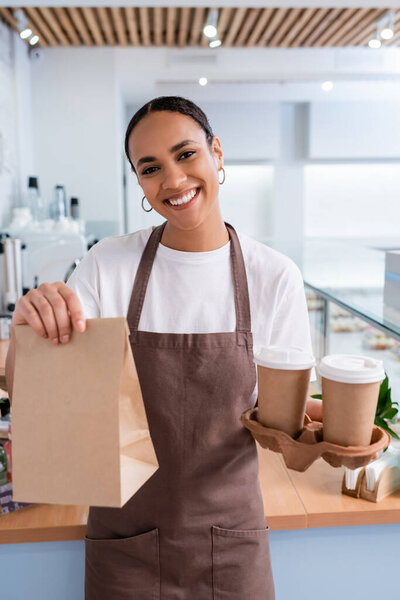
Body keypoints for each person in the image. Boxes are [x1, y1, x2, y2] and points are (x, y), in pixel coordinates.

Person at [6, 95, 322, 599]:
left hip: (232, 547)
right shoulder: (107, 266)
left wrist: (332, 433)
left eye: (186, 154)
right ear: (139, 181)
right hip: (124, 547)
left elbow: (278, 417)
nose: (173, 180)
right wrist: (27, 328)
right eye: (151, 167)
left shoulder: (273, 276)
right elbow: (45, 409)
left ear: (217, 153)